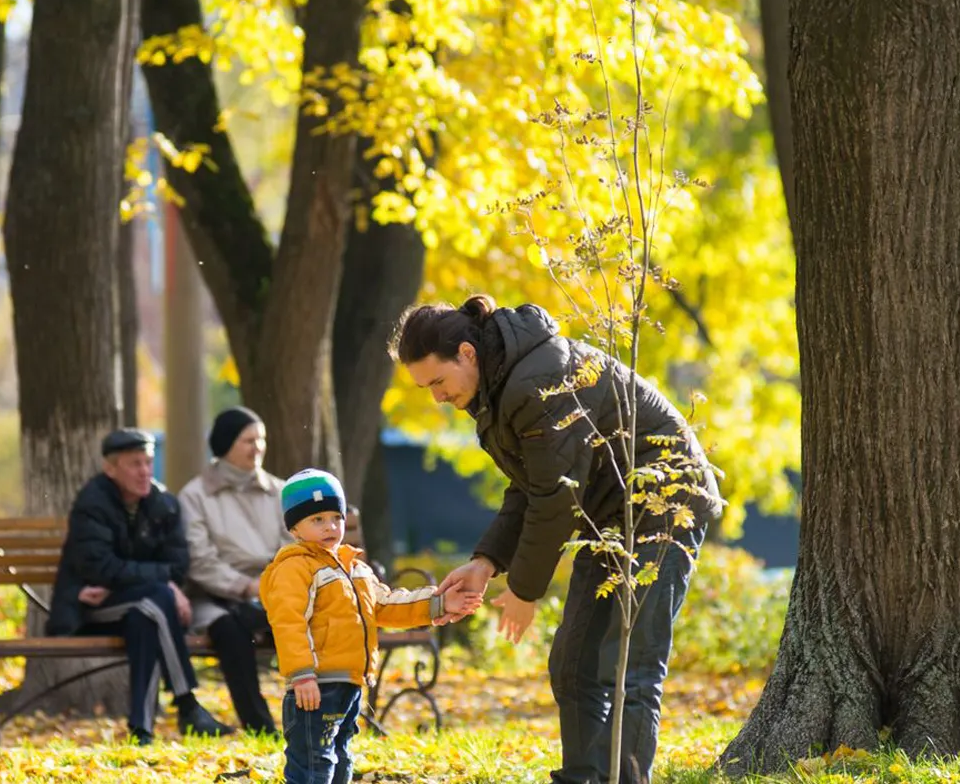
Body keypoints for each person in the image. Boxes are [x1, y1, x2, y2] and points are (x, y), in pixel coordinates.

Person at [388, 296, 726, 784]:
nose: (436, 398)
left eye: (437, 382)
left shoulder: (537, 380)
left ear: (466, 353)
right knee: (574, 662)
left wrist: (524, 592)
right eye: (426, 389)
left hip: (664, 503)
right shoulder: (497, 387)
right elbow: (531, 486)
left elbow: (554, 497)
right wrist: (485, 561)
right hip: (607, 515)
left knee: (630, 661)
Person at [260, 468, 483, 784]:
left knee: (341, 758)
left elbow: (386, 605)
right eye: (317, 520)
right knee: (313, 764)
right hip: (315, 685)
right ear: (295, 528)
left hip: (350, 682)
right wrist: (301, 675)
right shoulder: (295, 569)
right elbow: (288, 623)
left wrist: (440, 602)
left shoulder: (356, 569)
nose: (330, 527)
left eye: (335, 517)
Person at [44, 427, 235, 745]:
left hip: (138, 606)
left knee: (146, 615)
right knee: (159, 596)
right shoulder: (92, 503)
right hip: (89, 609)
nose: (145, 471)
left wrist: (149, 582)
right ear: (110, 468)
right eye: (135, 464)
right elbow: (99, 567)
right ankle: (187, 705)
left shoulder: (164, 504)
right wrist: (164, 584)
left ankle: (142, 729)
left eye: (147, 462)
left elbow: (178, 565)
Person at [178, 406, 288, 735]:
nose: (258, 448)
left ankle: (326, 717)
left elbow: (293, 546)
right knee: (229, 628)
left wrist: (273, 586)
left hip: (275, 593)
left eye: (261, 439)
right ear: (226, 444)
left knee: (305, 620)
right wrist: (247, 587)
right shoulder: (195, 496)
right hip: (213, 597)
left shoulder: (281, 492)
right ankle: (261, 728)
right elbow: (200, 560)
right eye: (248, 440)